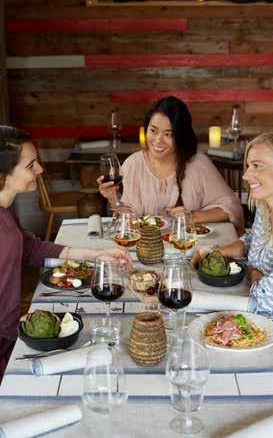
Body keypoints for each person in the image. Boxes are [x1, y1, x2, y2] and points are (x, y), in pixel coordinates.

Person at [0, 126, 131, 382]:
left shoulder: (5, 213)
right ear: (3, 175)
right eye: (30, 165)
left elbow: (32, 248)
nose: (40, 170)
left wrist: (96, 255)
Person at [192, 132, 273, 383]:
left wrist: (254, 273)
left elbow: (266, 299)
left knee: (216, 373)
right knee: (194, 344)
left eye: (257, 167)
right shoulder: (267, 208)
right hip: (259, 322)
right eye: (247, 166)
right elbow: (253, 242)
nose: (245, 175)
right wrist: (215, 252)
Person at [98, 96, 243, 231]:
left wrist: (191, 217)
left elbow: (231, 208)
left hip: (186, 247)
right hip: (145, 250)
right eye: (153, 131)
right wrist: (112, 197)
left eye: (169, 134)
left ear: (181, 136)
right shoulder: (133, 164)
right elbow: (126, 221)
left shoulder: (197, 163)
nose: (158, 140)